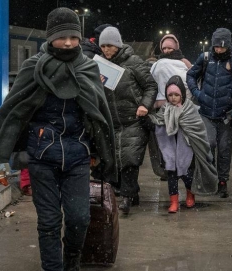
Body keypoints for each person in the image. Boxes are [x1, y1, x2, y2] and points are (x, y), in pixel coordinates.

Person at [0, 8, 116, 271]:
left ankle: (71, 262)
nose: (68, 42)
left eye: (73, 36)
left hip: (78, 157)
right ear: (50, 37)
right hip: (41, 158)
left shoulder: (89, 68)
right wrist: (2, 157)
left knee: (80, 218)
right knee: (48, 221)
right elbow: (12, 113)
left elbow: (101, 113)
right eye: (61, 37)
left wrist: (103, 153)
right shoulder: (33, 68)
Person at [186, 27, 232, 198]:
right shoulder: (205, 58)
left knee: (224, 150)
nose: (219, 50)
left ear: (228, 45)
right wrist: (197, 93)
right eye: (216, 46)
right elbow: (190, 76)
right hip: (206, 112)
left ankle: (223, 182)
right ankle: (211, 179)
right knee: (208, 146)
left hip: (226, 115)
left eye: (222, 47)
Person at [98, 26, 158, 215]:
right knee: (115, 160)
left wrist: (145, 105)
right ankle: (132, 194)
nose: (106, 50)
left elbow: (150, 85)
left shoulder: (134, 62)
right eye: (103, 46)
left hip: (133, 120)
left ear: (117, 45)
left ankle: (126, 198)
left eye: (109, 46)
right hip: (111, 122)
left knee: (130, 159)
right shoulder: (98, 65)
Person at [149, 75, 218, 213]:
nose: (173, 98)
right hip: (170, 149)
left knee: (188, 175)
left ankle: (190, 195)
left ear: (182, 94)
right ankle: (173, 201)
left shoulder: (190, 109)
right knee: (172, 176)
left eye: (176, 94)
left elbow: (198, 129)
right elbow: (157, 121)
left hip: (188, 148)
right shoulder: (165, 109)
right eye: (170, 95)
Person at [148, 33, 193, 181]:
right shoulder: (156, 64)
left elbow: (191, 82)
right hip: (161, 107)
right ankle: (168, 168)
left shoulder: (184, 63)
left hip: (181, 106)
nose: (167, 50)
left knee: (180, 140)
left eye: (170, 48)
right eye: (164, 48)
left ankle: (181, 169)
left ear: (176, 48)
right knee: (164, 140)